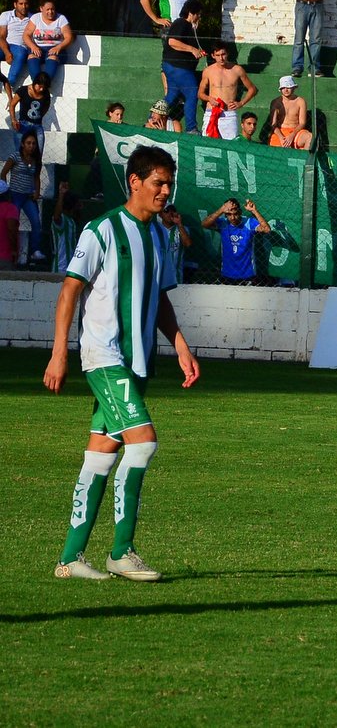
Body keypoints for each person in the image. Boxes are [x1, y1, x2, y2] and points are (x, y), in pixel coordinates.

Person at [48, 145, 199, 581]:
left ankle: (70, 559)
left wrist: (182, 345)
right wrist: (60, 353)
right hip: (104, 356)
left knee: (101, 454)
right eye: (158, 183)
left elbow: (161, 297)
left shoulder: (158, 234)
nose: (165, 191)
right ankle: (121, 550)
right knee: (144, 441)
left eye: (169, 184)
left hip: (138, 362)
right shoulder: (102, 230)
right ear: (134, 181)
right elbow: (69, 292)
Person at [160, 0, 207, 133]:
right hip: (179, 67)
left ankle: (153, 119)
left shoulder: (188, 27)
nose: (199, 17)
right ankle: (191, 127)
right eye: (198, 14)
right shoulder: (182, 23)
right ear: (191, 13)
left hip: (174, 66)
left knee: (172, 96)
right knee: (192, 93)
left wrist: (197, 51)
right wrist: (192, 50)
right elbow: (173, 41)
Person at [201, 197, 271, 284]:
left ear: (240, 212)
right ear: (225, 214)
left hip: (248, 275)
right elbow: (204, 224)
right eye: (229, 214)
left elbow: (266, 229)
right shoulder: (223, 223)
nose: (233, 217)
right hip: (227, 275)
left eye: (236, 214)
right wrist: (221, 210)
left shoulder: (249, 223)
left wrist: (254, 211)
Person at [197, 43, 258, 140]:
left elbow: (253, 89)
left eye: (223, 54)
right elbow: (200, 93)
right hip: (212, 112)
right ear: (213, 56)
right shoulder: (208, 71)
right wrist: (209, 98)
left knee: (230, 145)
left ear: (227, 54)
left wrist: (241, 103)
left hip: (229, 114)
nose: (221, 58)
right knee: (208, 144)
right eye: (218, 55)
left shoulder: (237, 70)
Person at [1, 130, 44, 265]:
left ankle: (35, 250)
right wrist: (5, 189)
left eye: (33, 144)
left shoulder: (36, 160)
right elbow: (3, 173)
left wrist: (37, 192)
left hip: (28, 196)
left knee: (36, 221)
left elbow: (36, 177)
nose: (31, 146)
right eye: (28, 143)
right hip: (15, 194)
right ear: (22, 144)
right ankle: (12, 250)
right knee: (13, 222)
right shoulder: (15, 156)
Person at [19, 0, 75, 86]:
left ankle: (44, 85)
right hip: (38, 48)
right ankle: (36, 84)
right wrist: (33, 46)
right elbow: (26, 35)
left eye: (52, 9)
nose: (50, 12)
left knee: (52, 58)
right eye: (47, 9)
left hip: (56, 49)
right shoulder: (35, 18)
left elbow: (69, 37)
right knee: (32, 57)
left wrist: (59, 47)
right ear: (41, 9)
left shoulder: (61, 18)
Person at [266, 76, 313, 149]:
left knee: (310, 137)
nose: (286, 90)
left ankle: (304, 159)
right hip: (280, 132)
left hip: (296, 131)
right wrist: (281, 137)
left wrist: (292, 135)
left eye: (288, 87)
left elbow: (302, 123)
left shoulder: (301, 101)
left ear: (294, 88)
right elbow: (273, 124)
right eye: (283, 88)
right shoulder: (275, 102)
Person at [9, 72, 52, 150]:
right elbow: (12, 105)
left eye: (44, 87)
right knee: (19, 152)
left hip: (37, 125)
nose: (41, 89)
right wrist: (13, 120)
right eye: (40, 86)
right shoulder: (23, 90)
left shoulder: (46, 94)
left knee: (39, 151)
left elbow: (46, 107)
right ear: (35, 83)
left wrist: (39, 116)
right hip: (23, 124)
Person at [2, 0, 31, 95]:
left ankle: (9, 84)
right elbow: (1, 36)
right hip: (5, 45)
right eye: (21, 3)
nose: (24, 6)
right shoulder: (6, 15)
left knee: (20, 54)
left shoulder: (33, 18)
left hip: (20, 47)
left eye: (26, 4)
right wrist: (7, 53)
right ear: (15, 4)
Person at [51, 183, 83, 273]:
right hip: (60, 266)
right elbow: (56, 217)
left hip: (71, 266)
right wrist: (61, 195)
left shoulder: (71, 221)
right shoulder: (63, 220)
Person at [159, 203, 192, 285]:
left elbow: (188, 244)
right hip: (158, 277)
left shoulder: (182, 229)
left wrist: (179, 224)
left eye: (173, 210)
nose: (170, 213)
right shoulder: (155, 229)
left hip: (176, 278)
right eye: (166, 211)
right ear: (160, 214)